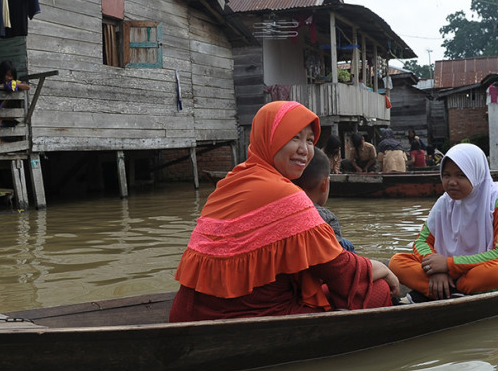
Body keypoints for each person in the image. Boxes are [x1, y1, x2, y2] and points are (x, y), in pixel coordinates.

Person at [170, 101, 398, 321]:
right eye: (293, 137)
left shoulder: (231, 181)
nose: (304, 150)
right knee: (378, 290)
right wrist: (381, 270)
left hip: (186, 313)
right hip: (249, 316)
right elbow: (340, 271)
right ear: (268, 139)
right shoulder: (286, 194)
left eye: (310, 140)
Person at [389, 143, 498, 301]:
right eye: (447, 175)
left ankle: (442, 291)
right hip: (451, 272)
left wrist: (449, 264)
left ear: (475, 174)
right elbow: (422, 242)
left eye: (461, 175)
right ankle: (451, 290)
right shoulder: (444, 202)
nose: (451, 182)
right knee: (397, 262)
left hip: (490, 271)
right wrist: (435, 268)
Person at [293, 147, 356, 252]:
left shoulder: (283, 211)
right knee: (347, 245)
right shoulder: (327, 218)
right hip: (324, 259)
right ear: (325, 184)